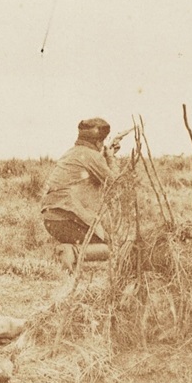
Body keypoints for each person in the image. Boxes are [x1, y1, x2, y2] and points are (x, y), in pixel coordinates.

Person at [40, 117, 121, 272]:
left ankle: (68, 252)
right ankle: (72, 251)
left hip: (51, 220)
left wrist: (103, 156)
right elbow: (116, 183)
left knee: (97, 240)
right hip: (67, 220)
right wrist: (110, 157)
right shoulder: (93, 156)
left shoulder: (70, 153)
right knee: (112, 247)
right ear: (99, 142)